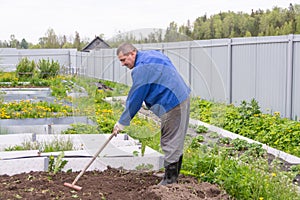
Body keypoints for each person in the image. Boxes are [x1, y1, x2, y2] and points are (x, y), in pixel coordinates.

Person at [112, 43, 191, 185]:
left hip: (172, 103)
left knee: (170, 140)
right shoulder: (152, 54)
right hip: (181, 96)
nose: (123, 64)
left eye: (124, 60)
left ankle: (170, 180)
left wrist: (122, 122)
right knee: (175, 138)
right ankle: (171, 174)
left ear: (132, 53)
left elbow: (136, 97)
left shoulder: (141, 69)